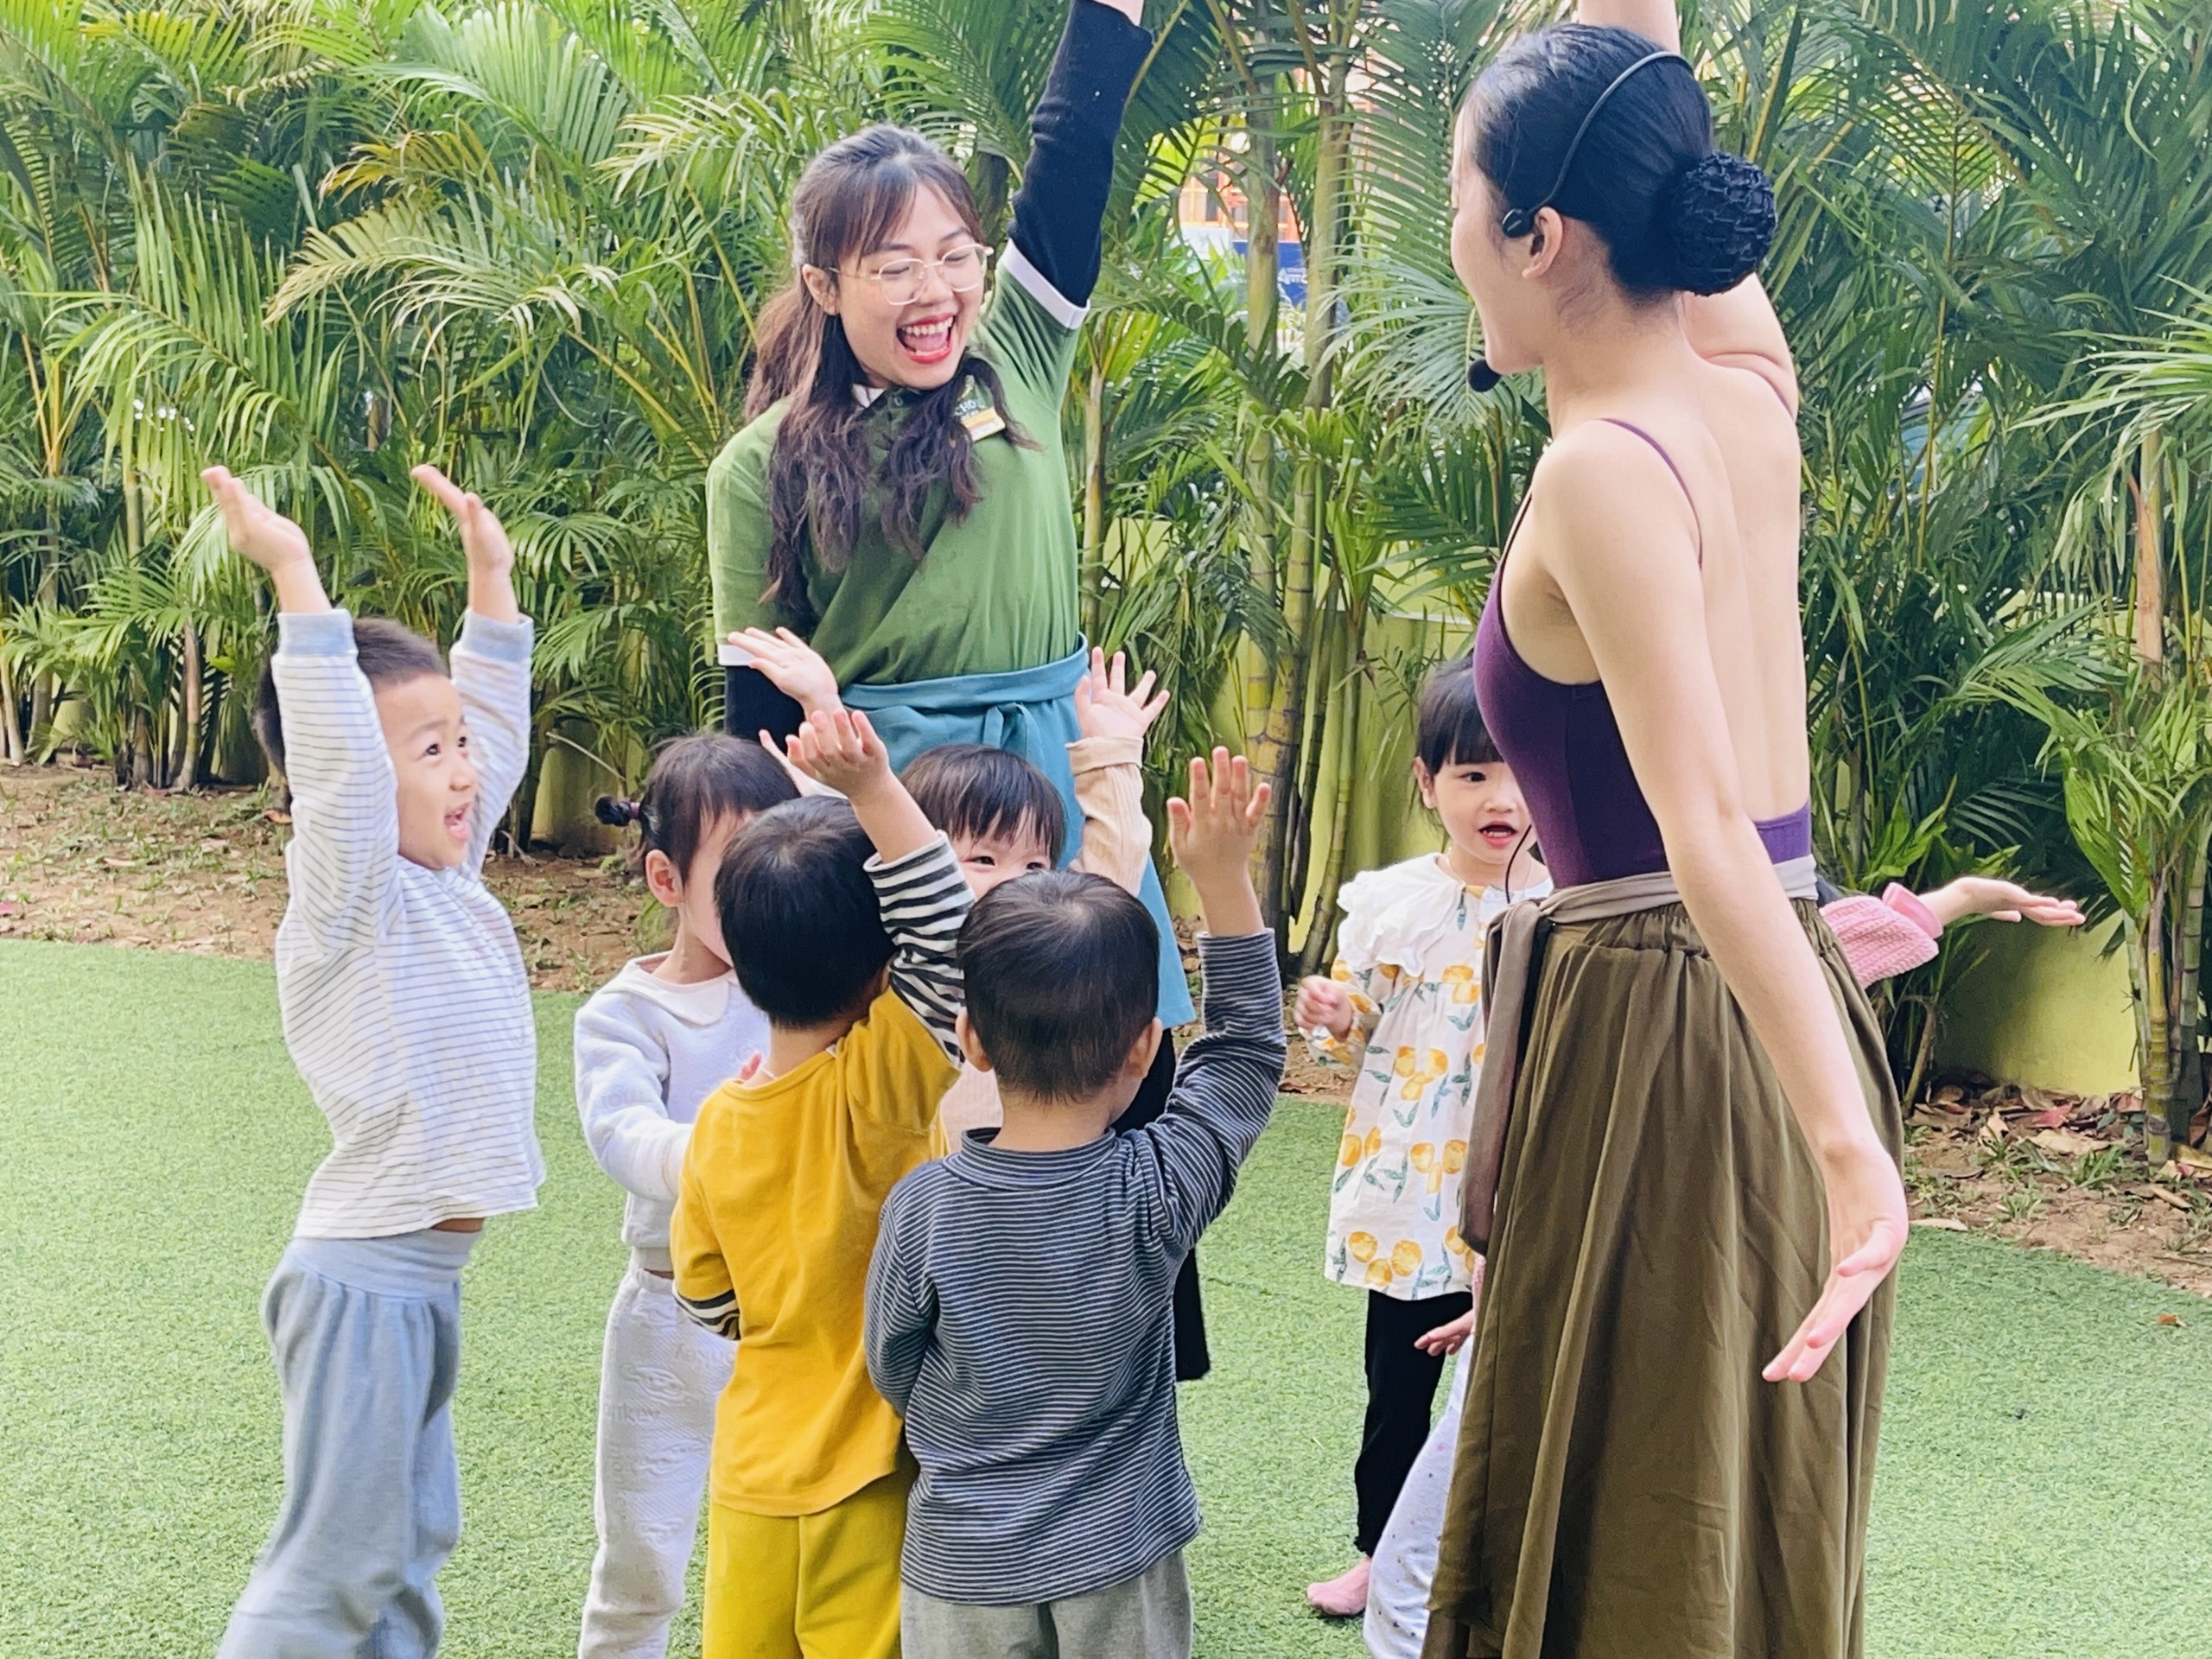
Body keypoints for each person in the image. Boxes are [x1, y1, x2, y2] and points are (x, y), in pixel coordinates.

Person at [1427, 0, 1916, 1649]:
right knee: (1720, 1526)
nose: (1453, 243)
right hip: (1769, 997)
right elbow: (1646, 86)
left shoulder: (1603, 472)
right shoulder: (1747, 393)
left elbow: (1702, 825)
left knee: (1652, 1557)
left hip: (1669, 1023)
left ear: (1539, 233)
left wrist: (1848, 1156)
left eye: (1461, 202)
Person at [1363, 873, 2082, 1657]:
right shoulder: (1578, 952)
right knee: (1457, 1539)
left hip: (1652, 1282)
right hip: (1545, 1287)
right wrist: (1500, 1292)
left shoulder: (1733, 958)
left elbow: (1848, 942)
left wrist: (1962, 899)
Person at [705, 0, 1194, 1033]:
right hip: (894, 804)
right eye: (893, 267)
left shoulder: (1018, 355)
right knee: (914, 1073)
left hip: (1057, 780)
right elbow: (761, 720)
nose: (935, 292)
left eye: (956, 254)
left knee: (1109, 1054)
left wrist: (1110, 16)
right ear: (824, 285)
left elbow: (1071, 155)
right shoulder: (758, 466)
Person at [202, 463, 538, 1657]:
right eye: (429, 750)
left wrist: (491, 585)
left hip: (420, 1283)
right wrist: (296, 578)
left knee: (405, 1550)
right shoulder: (351, 897)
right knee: (336, 1569)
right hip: (363, 1282)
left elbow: (494, 736)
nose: (463, 771)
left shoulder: (446, 879)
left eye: (459, 744)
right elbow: (345, 775)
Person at [866, 751, 1286, 1659]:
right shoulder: (1158, 1187)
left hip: (961, 1558)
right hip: (1120, 1553)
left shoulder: (923, 1205)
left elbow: (892, 1364)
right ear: (1143, 1049)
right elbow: (1246, 1050)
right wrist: (1222, 879)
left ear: (971, 1039)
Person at [739, 627, 1217, 1379]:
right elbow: (869, 852)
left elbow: (1114, 866)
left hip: (1040, 1210)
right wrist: (825, 719)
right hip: (919, 1217)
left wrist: (1114, 752)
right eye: (983, 858)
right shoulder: (911, 964)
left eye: (1034, 862)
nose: (1012, 881)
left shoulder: (1049, 967)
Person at [670, 708, 970, 1659]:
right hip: (868, 1472)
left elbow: (708, 1299)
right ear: (884, 974)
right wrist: (874, 789)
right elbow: (950, 937)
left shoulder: (717, 1123)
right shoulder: (878, 1095)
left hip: (751, 1473)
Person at [1292, 658, 1548, 1618]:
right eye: (1473, 774)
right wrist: (1334, 1011)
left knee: (1516, 1391)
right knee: (1397, 1391)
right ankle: (1378, 1554)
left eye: (1521, 771)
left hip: (1524, 1189)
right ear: (1427, 783)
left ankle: (1498, 1569)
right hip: (1411, 1191)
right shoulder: (1391, 902)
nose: (1500, 799)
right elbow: (1357, 1022)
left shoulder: (1567, 905)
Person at [571, 735, 798, 1659]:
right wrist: (723, 1146)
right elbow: (621, 1133)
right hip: (670, 1315)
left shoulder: (803, 985)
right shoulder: (627, 1014)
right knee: (644, 1558)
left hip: (794, 1316)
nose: (770, 895)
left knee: (795, 1548)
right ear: (666, 879)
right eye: (741, 872)